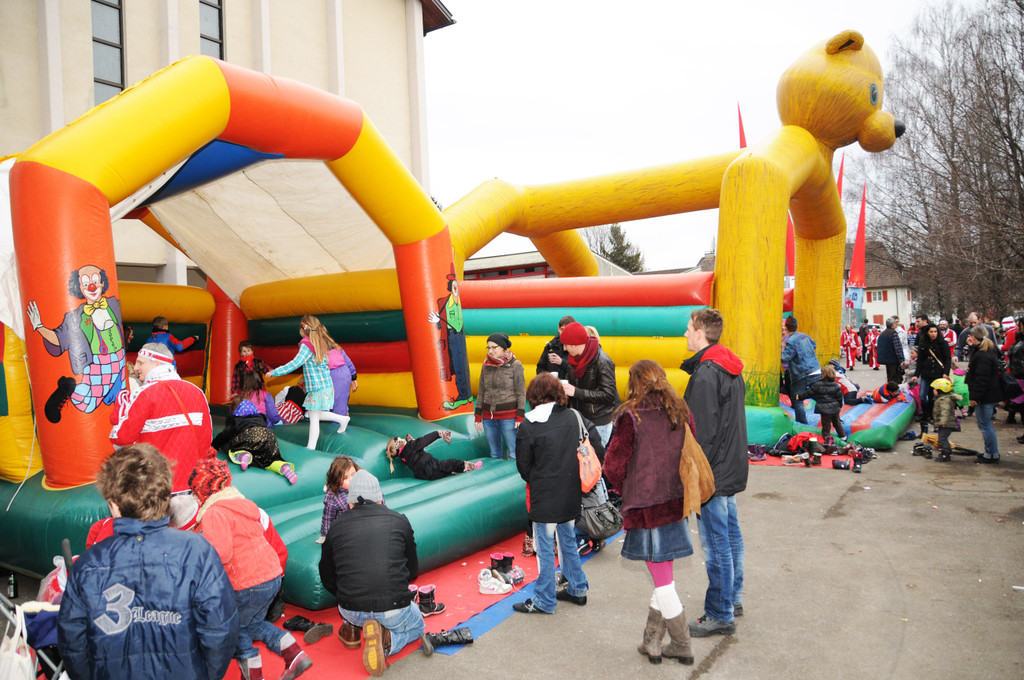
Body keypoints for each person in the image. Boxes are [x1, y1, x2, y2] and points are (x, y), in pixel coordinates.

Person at [57, 444, 238, 680]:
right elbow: (220, 629)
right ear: (166, 496)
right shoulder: (197, 551)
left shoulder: (89, 565)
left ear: (113, 504)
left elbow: (73, 642)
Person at [604, 360, 696, 665]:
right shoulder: (679, 408)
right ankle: (652, 642)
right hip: (675, 500)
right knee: (664, 573)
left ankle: (682, 643)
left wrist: (621, 488)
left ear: (635, 383)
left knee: (663, 580)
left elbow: (613, 465)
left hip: (645, 505)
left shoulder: (630, 415)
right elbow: (694, 445)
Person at [190, 456, 313, 680]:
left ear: (202, 491)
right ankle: (294, 654)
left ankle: (254, 673)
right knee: (252, 624)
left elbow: (223, 553)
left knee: (233, 628)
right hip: (271, 575)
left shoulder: (214, 513)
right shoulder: (244, 505)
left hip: (246, 582)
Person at [318, 470, 425, 676]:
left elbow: (327, 577)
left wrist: (347, 594)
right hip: (393, 609)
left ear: (350, 502)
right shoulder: (399, 520)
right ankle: (387, 641)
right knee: (418, 626)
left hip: (351, 610)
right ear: (379, 498)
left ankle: (354, 628)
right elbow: (413, 570)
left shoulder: (336, 527)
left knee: (358, 608)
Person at [680, 308, 747, 637]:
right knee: (731, 537)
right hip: (729, 464)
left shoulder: (708, 373)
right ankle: (731, 598)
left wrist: (692, 477)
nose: (685, 334)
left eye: (688, 329)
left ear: (700, 332)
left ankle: (720, 612)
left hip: (713, 472)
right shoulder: (728, 366)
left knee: (717, 542)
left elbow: (701, 433)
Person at [512, 373, 600, 615]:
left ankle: (544, 599)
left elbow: (523, 467)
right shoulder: (572, 416)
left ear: (533, 396)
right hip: (570, 491)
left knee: (545, 549)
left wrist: (540, 479)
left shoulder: (529, 425)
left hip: (545, 496)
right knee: (567, 541)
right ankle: (577, 588)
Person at [110, 342, 212, 529]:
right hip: (191, 494)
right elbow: (206, 443)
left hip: (155, 492)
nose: (137, 367)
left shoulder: (144, 394)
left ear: (156, 363)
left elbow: (121, 438)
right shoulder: (197, 393)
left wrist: (120, 407)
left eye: (141, 362)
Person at [266, 315, 350, 450]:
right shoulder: (319, 342)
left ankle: (310, 447)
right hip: (324, 386)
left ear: (303, 328)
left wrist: (274, 372)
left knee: (314, 417)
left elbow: (295, 363)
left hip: (318, 388)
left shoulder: (307, 345)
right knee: (313, 414)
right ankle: (342, 419)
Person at [212, 388, 297, 484]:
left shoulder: (235, 419)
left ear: (234, 411)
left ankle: (244, 455)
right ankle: (284, 468)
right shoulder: (260, 417)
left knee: (230, 444)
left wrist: (214, 445)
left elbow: (224, 435)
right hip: (269, 438)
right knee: (271, 460)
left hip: (248, 438)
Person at [558, 321, 620, 446]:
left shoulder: (602, 361)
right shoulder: (573, 359)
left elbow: (609, 395)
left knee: (596, 461)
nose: (564, 349)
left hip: (598, 422)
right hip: (580, 418)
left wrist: (576, 392)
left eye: (565, 345)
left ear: (574, 345)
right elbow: (571, 383)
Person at [474, 332, 525, 460]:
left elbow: (521, 392)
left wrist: (519, 416)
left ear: (503, 347)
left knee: (513, 453)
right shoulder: (485, 365)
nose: (490, 351)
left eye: (494, 347)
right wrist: (478, 415)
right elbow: (481, 391)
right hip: (488, 417)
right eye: (488, 347)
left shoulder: (515, 365)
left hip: (508, 416)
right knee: (494, 454)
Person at [965, 326, 1002, 464]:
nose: (968, 338)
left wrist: (974, 397)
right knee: (985, 424)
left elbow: (981, 379)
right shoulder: (983, 351)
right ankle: (990, 452)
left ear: (975, 337)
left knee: (985, 425)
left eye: (970, 336)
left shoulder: (982, 355)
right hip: (988, 394)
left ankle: (992, 454)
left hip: (985, 396)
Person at [385, 430, 480, 479]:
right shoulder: (411, 446)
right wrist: (438, 434)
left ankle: (453, 471)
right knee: (452, 462)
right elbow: (423, 441)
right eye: (401, 439)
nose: (403, 439)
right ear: (399, 443)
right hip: (432, 468)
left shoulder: (402, 456)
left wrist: (411, 440)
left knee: (445, 468)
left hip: (422, 475)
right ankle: (471, 466)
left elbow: (412, 451)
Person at [780, 316, 820, 425]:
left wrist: (778, 350)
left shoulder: (791, 341)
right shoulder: (805, 336)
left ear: (786, 328)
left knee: (797, 400)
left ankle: (802, 425)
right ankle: (833, 416)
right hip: (816, 370)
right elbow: (814, 345)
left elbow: (785, 357)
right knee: (820, 395)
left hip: (802, 373)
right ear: (797, 326)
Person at [913, 324, 951, 435]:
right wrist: (916, 374)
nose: (934, 334)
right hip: (926, 373)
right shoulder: (923, 343)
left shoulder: (942, 343)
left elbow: (947, 359)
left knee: (934, 397)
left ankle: (933, 418)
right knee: (922, 395)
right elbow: (920, 360)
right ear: (927, 333)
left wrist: (945, 373)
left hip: (938, 373)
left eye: (935, 331)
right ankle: (926, 414)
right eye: (931, 332)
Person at [319, 456, 363, 543]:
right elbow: (328, 519)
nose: (351, 480)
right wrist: (326, 536)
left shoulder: (361, 485)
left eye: (353, 475)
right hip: (345, 530)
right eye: (345, 478)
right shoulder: (333, 498)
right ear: (337, 480)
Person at [536, 315, 576, 379]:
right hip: (552, 386)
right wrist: (548, 377)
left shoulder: (577, 347)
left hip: (570, 386)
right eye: (562, 329)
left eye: (567, 330)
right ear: (558, 328)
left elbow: (578, 371)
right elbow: (540, 368)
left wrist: (562, 362)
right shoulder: (551, 346)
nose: (564, 333)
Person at [930, 378, 958, 462]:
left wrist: (943, 422)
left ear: (940, 390)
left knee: (942, 439)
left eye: (934, 390)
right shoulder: (943, 398)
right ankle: (947, 451)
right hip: (947, 423)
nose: (933, 391)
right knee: (943, 438)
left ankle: (945, 454)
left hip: (946, 423)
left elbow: (945, 411)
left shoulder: (943, 400)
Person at [876, 317, 905, 384]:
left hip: (886, 359)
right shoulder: (893, 333)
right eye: (895, 323)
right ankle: (894, 391)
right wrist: (901, 359)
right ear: (893, 324)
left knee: (889, 376)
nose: (896, 324)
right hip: (893, 359)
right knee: (895, 378)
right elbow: (897, 348)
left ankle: (889, 390)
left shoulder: (882, 334)